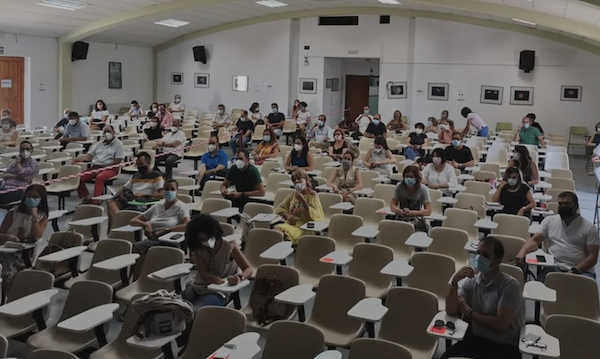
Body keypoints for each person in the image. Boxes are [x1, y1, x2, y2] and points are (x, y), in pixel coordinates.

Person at [442, 236, 525, 359]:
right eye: (478, 253)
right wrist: (453, 284)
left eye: (485, 255)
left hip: (504, 347)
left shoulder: (510, 286)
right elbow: (451, 310)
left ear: (497, 261)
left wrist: (469, 311)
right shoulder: (470, 281)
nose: (479, 258)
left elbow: (501, 324)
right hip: (477, 341)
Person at [516, 191, 599, 279]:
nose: (563, 207)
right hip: (554, 266)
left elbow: (592, 256)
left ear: (576, 206)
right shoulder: (550, 221)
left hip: (581, 271)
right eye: (560, 204)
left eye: (567, 204)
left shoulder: (589, 227)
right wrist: (522, 251)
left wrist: (574, 270)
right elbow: (535, 240)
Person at [182, 213, 252, 307]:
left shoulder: (229, 247)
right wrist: (214, 279)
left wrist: (240, 277)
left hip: (219, 291)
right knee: (182, 308)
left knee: (197, 311)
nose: (205, 241)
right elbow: (202, 272)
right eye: (201, 239)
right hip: (199, 286)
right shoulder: (199, 249)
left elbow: (248, 269)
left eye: (207, 237)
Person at [0, 185, 48, 292]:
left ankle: (8, 298)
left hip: (23, 254)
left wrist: (34, 217)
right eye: (29, 196)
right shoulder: (13, 212)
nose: (31, 199)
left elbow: (36, 236)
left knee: (8, 273)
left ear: (41, 200)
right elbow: (0, 234)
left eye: (35, 197)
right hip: (4, 250)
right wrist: (7, 237)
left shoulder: (42, 217)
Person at [130, 179, 190, 256]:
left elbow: (187, 225)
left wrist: (167, 230)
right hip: (153, 239)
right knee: (131, 248)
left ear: (177, 190)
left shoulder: (181, 206)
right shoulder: (158, 205)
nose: (169, 192)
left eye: (172, 189)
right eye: (166, 189)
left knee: (136, 248)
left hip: (169, 241)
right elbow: (133, 221)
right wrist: (146, 224)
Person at [107, 151, 164, 227]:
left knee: (122, 212)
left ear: (148, 163)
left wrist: (144, 195)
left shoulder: (157, 176)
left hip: (143, 204)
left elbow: (162, 195)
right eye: (137, 164)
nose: (139, 167)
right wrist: (115, 195)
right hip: (130, 201)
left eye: (141, 164)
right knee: (111, 202)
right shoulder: (136, 175)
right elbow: (124, 188)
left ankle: (117, 224)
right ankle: (118, 222)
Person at [73, 125, 124, 203]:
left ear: (113, 132)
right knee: (79, 177)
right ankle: (86, 197)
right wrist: (78, 160)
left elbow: (118, 160)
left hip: (111, 168)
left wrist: (106, 167)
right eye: (105, 132)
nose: (106, 133)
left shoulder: (119, 144)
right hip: (96, 167)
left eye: (109, 131)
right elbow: (89, 156)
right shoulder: (99, 144)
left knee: (100, 177)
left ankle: (96, 201)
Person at [275, 169, 325, 244]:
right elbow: (279, 209)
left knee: (279, 232)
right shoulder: (292, 195)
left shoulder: (312, 195)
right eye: (294, 180)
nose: (297, 181)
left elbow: (317, 215)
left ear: (306, 180)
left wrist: (303, 201)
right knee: (276, 231)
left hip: (305, 228)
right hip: (291, 224)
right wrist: (287, 215)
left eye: (299, 178)